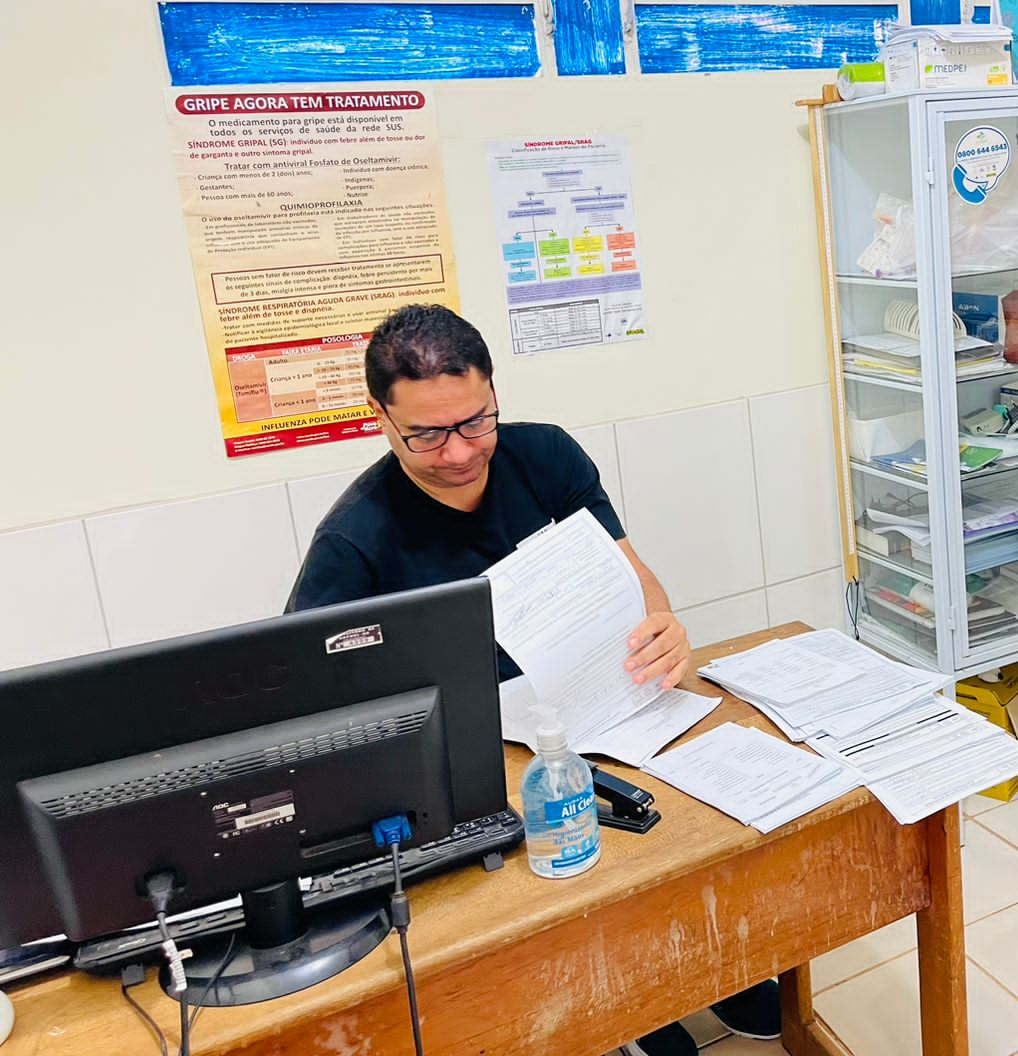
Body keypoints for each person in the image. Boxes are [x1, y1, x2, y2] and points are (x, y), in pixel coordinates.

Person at [287, 303, 779, 1056]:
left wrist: (664, 624)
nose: (457, 453)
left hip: (603, 700)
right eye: (427, 434)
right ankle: (636, 1009)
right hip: (479, 759)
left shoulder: (544, 457)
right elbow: (307, 706)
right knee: (564, 861)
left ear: (493, 394)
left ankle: (719, 967)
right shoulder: (355, 541)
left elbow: (631, 573)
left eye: (476, 422)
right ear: (380, 419)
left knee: (706, 819)